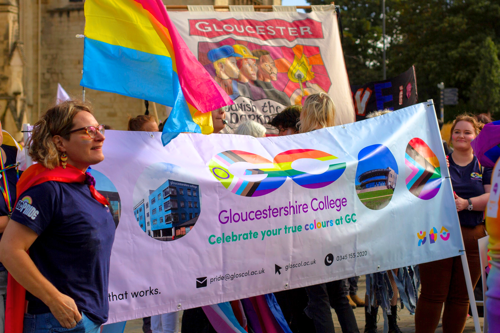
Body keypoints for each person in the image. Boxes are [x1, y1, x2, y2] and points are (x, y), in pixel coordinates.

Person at [0, 100, 115, 333]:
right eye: (87, 131)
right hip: (56, 322)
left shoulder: (86, 187)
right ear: (60, 142)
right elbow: (10, 250)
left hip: (85, 320)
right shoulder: (47, 190)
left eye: (99, 129)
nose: (100, 137)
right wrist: (54, 299)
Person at [415, 114, 492, 332]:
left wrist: (465, 203)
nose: (461, 136)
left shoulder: (484, 165)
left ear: (476, 136)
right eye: (457, 131)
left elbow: (491, 197)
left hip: (473, 238)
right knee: (432, 295)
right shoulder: (438, 162)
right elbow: (422, 192)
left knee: (460, 297)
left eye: (467, 132)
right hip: (439, 236)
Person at [299, 92, 359, 333]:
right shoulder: (339, 141)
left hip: (309, 225)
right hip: (336, 225)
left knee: (318, 297)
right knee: (339, 297)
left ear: (306, 113)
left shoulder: (298, 144)